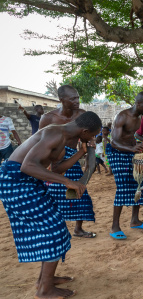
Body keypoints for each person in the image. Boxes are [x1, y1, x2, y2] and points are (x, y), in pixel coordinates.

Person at [0, 111, 101, 299]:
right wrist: (67, 182)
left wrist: (82, 152)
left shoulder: (64, 137)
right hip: (16, 181)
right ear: (85, 131)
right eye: (93, 135)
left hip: (27, 182)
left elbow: (56, 168)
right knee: (53, 229)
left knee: (56, 227)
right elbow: (27, 166)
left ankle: (44, 280)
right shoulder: (55, 133)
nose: (94, 138)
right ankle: (44, 290)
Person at [39, 85, 96, 238]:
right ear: (61, 100)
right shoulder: (48, 118)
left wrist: (90, 156)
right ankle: (53, 230)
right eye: (72, 98)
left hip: (73, 156)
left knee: (80, 192)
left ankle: (78, 229)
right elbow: (39, 142)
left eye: (77, 97)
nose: (77, 101)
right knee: (52, 196)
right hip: (52, 159)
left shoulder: (82, 115)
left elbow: (89, 139)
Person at [106, 92, 143, 240]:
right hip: (116, 153)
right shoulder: (122, 117)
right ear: (138, 104)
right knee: (122, 188)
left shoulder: (140, 118)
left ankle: (135, 220)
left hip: (128, 151)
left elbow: (130, 137)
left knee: (138, 184)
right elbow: (114, 142)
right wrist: (131, 149)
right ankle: (115, 226)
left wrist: (137, 146)